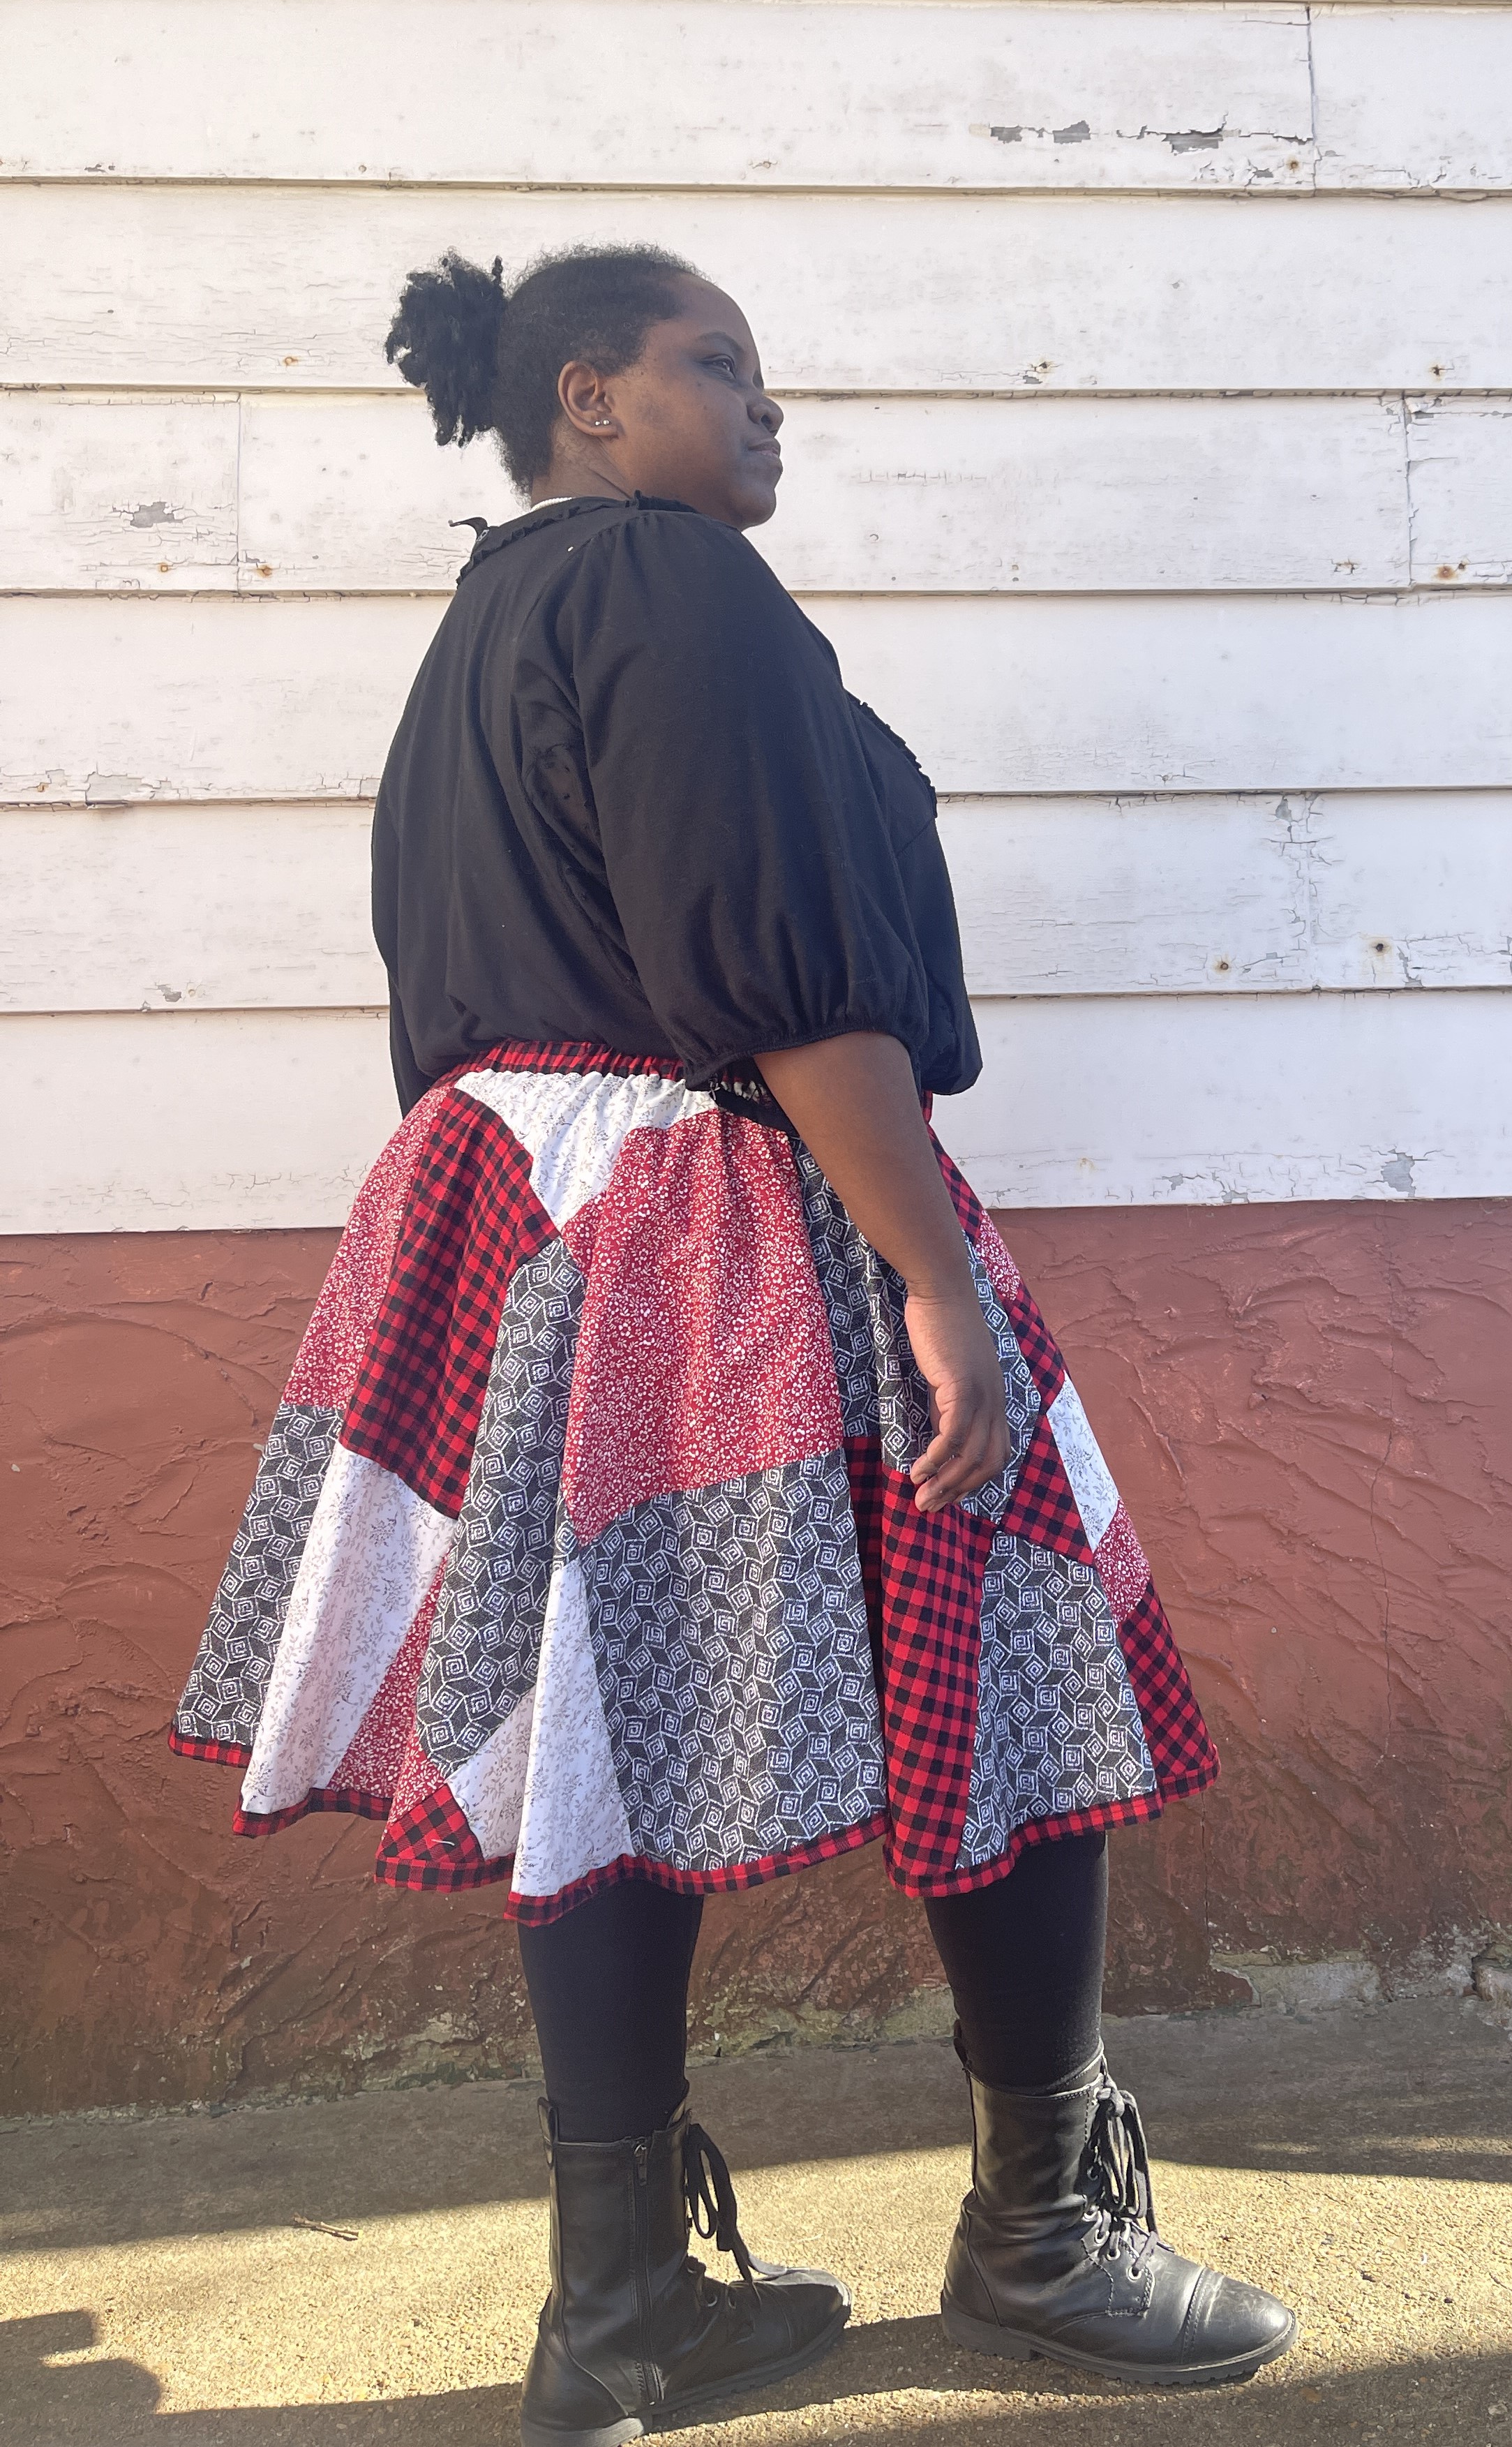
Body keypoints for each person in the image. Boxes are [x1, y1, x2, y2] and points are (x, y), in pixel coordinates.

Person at [172, 242, 1296, 2444]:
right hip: (739, 1207)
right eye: (722, 368)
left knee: (607, 1733)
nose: (769, 411)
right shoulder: (682, 596)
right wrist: (935, 1285)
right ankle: (1045, 2231)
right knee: (1028, 1659)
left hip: (532, 1220)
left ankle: (619, 2311)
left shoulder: (489, 617)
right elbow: (786, 973)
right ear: (590, 394)